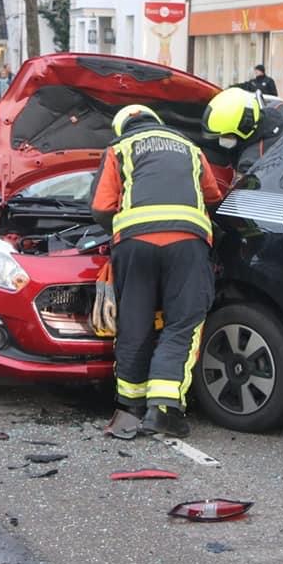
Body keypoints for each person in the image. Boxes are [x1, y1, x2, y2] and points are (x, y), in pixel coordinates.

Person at [90, 105, 224, 438]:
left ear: (123, 128)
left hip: (134, 246)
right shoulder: (191, 149)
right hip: (186, 242)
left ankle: (129, 408)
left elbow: (101, 207)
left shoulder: (119, 148)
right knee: (183, 322)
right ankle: (163, 411)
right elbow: (213, 195)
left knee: (134, 322)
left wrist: (122, 232)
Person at [201, 86, 283, 177]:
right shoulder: (280, 106)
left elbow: (240, 189)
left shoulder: (250, 162)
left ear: (244, 128)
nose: (221, 140)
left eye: (225, 135)